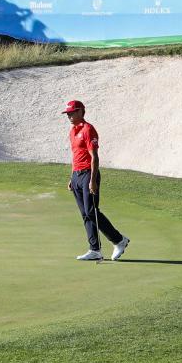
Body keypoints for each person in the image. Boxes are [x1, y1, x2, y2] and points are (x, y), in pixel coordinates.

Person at [62, 99, 128, 261]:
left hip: (88, 174)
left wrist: (92, 180)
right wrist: (72, 177)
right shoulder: (73, 131)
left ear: (80, 112)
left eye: (72, 112)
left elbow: (94, 157)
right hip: (77, 175)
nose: (69, 116)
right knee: (85, 214)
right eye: (68, 113)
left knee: (92, 211)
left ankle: (119, 240)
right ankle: (95, 250)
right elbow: (75, 155)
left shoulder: (88, 129)